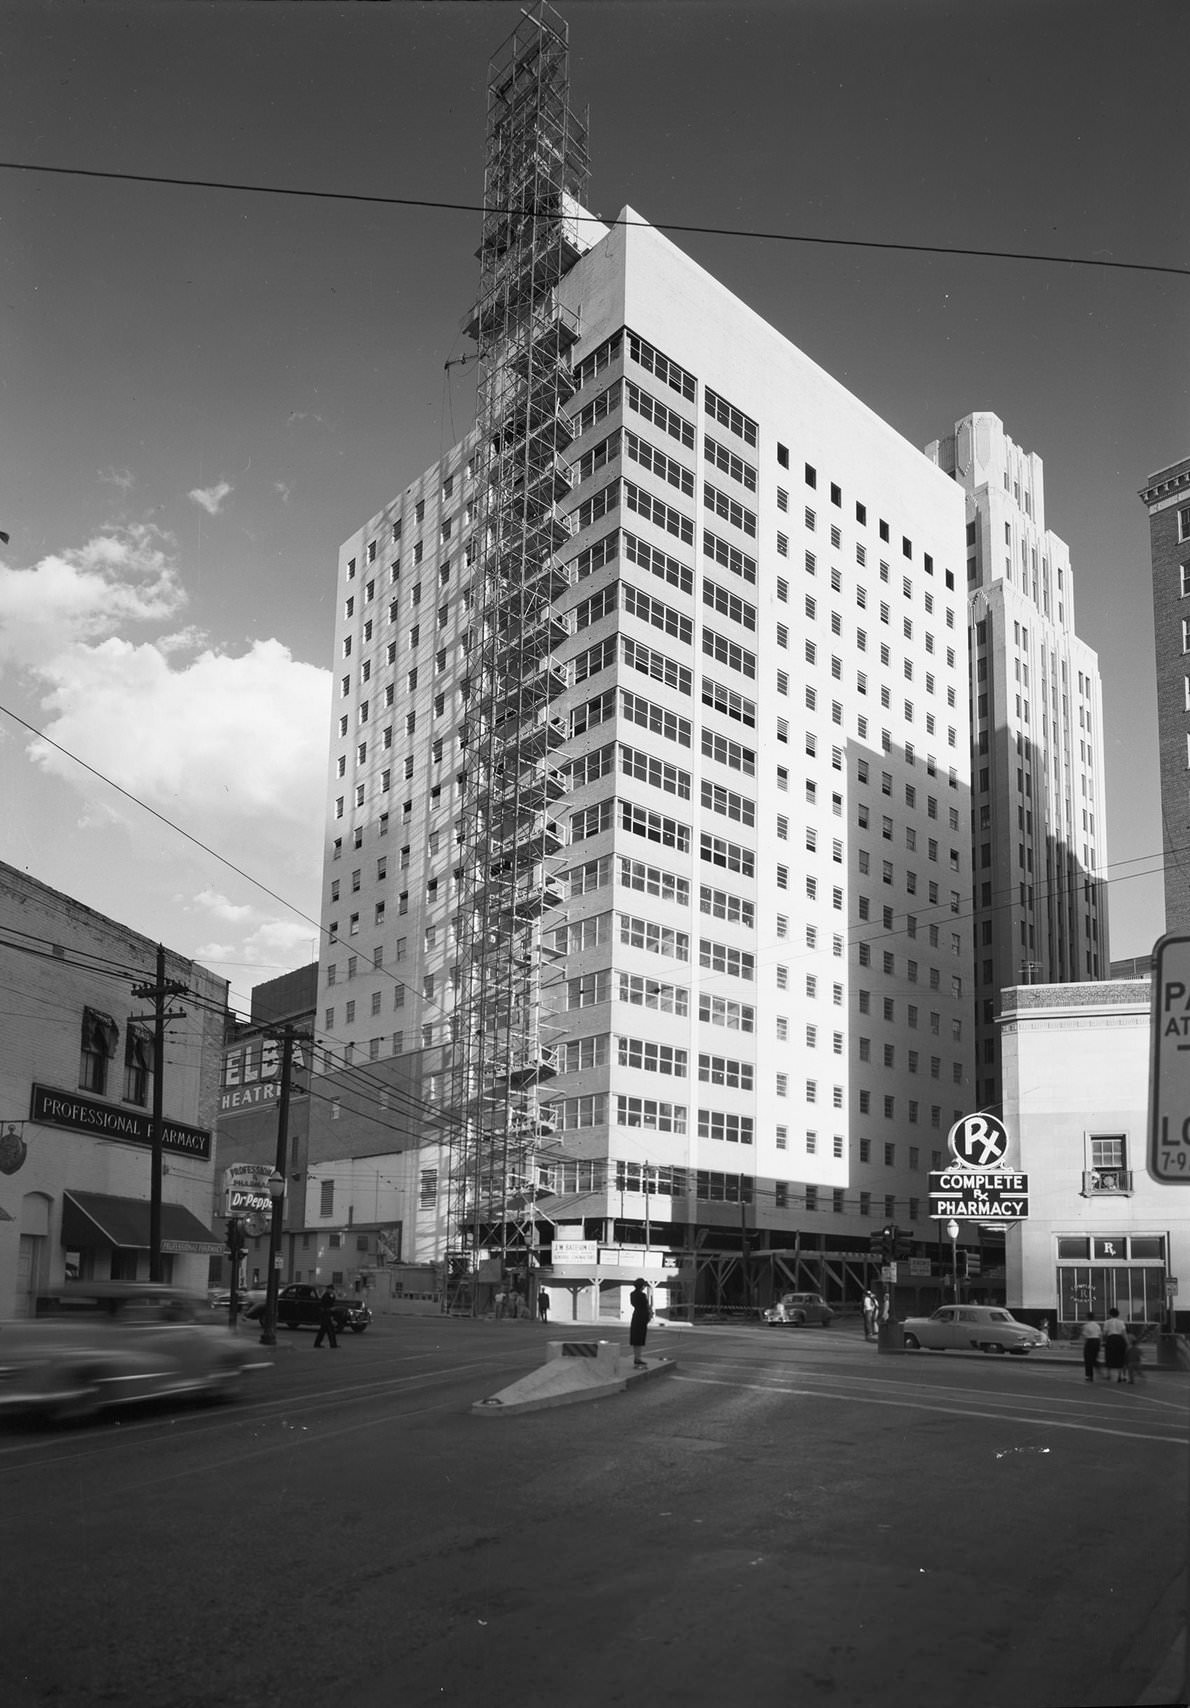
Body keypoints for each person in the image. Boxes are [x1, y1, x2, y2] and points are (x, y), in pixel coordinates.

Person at [628, 1277, 652, 1369]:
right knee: (640, 1338)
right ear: (642, 1286)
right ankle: (638, 1358)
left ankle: (636, 1357)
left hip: (636, 1316)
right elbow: (646, 1306)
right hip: (642, 1316)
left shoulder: (632, 1294)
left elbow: (633, 1304)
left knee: (635, 1338)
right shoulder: (642, 1295)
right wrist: (649, 1316)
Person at [1103, 1307, 1129, 1383]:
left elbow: (1104, 1333)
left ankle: (1108, 1375)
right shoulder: (1121, 1322)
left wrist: (1103, 1341)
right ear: (1118, 1314)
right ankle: (1121, 1376)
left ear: (1110, 1314)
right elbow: (1124, 1333)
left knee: (1109, 1357)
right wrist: (1127, 1343)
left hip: (1110, 1339)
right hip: (1119, 1339)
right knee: (1121, 1357)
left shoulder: (1107, 1322)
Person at [1080, 1310, 1102, 1382]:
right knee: (1094, 1357)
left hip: (1090, 1341)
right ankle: (1098, 1368)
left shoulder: (1086, 1325)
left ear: (1087, 1317)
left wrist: (1084, 1343)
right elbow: (1100, 1335)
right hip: (1097, 1341)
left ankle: (1089, 1375)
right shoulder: (1097, 1325)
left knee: (1088, 1359)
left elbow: (1084, 1336)